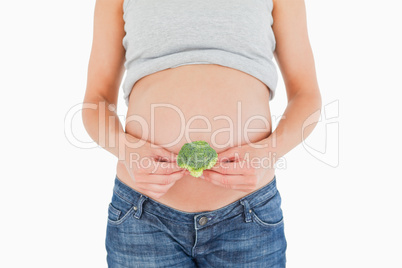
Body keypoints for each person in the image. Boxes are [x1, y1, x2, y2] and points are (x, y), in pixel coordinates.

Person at [82, 0, 322, 267]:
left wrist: (269, 153)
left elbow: (306, 95)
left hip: (248, 215)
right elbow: (96, 100)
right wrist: (125, 150)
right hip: (143, 218)